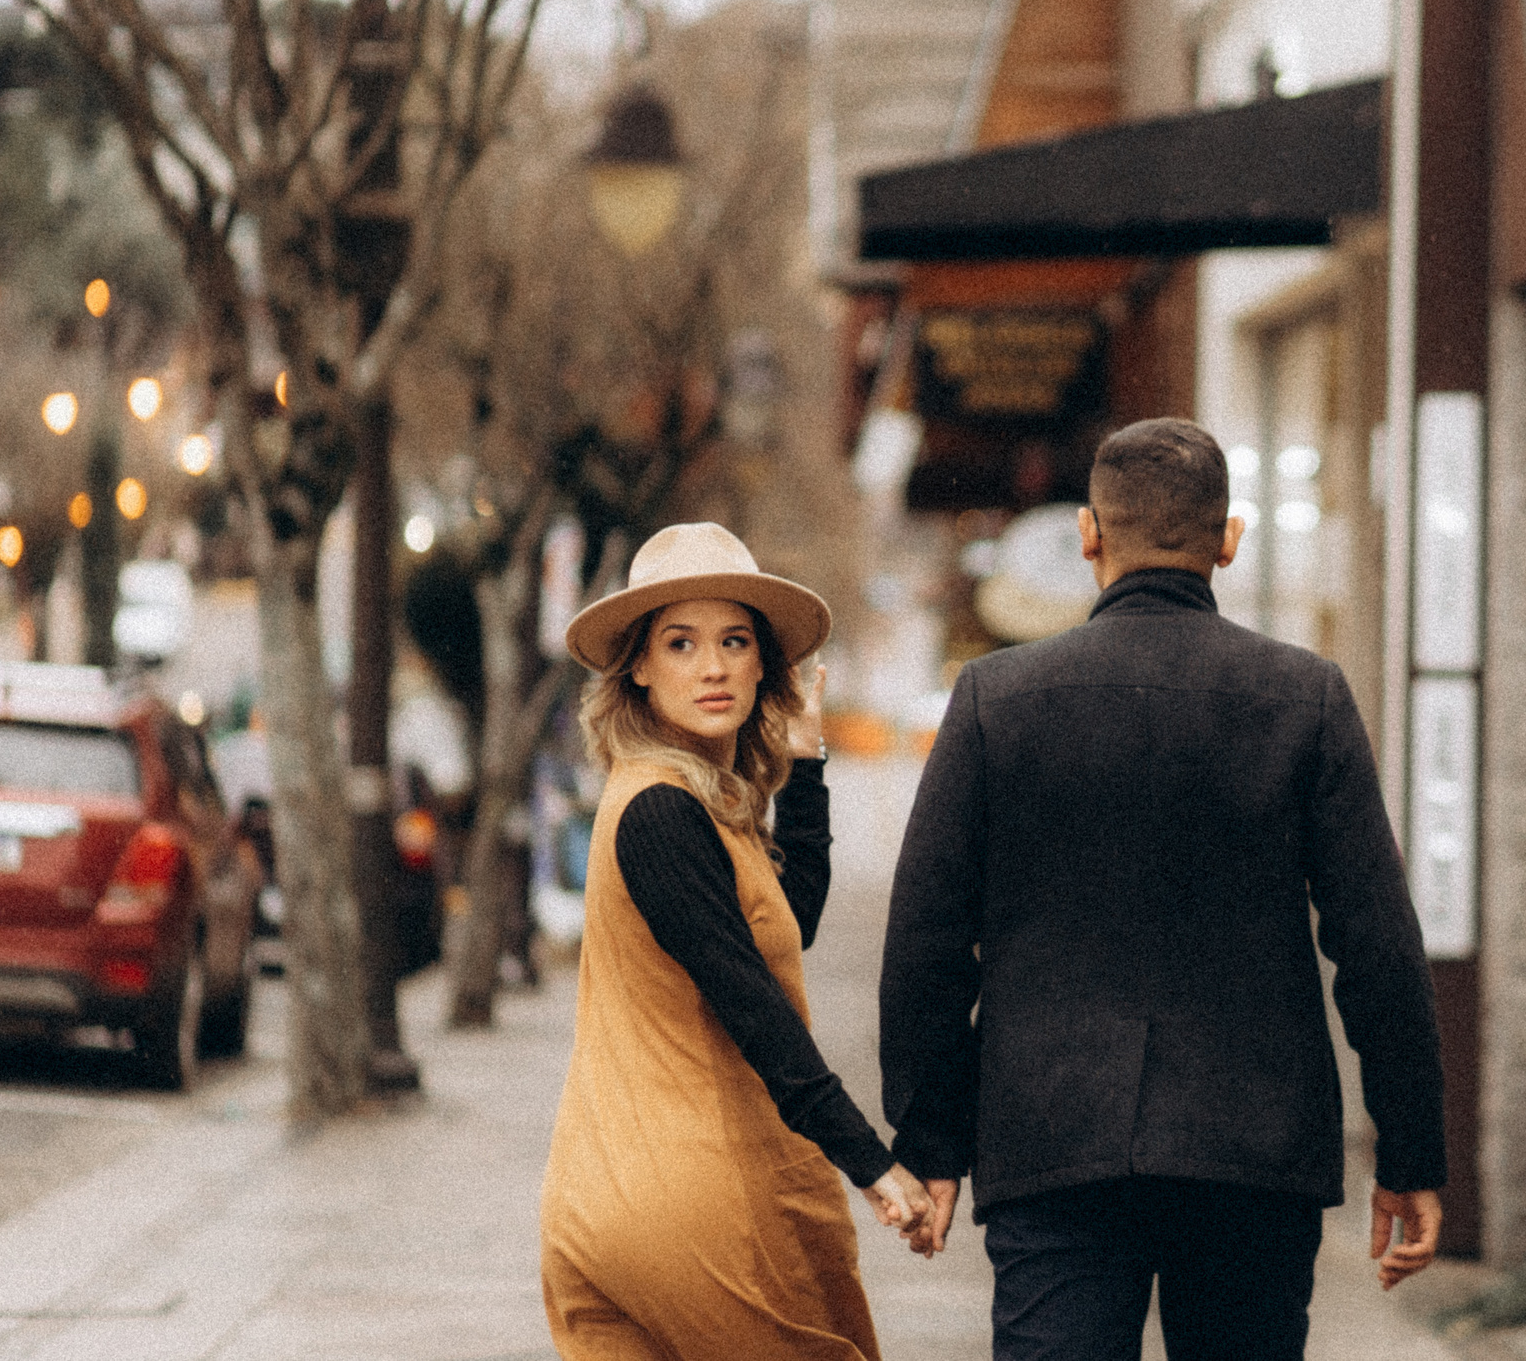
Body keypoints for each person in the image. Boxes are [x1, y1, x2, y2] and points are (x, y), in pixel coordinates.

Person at [880, 418, 1448, 1361]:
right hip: (1252, 1149)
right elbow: (1379, 945)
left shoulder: (995, 699)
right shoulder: (1304, 697)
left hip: (1053, 1140)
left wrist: (933, 1139)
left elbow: (927, 944)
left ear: (1088, 536)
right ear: (1229, 539)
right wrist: (1412, 1150)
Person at [541, 522, 934, 1360]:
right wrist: (872, 1164)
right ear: (638, 665)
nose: (713, 666)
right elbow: (755, 1008)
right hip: (690, 1209)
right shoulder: (660, 813)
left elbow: (791, 922)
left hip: (608, 1204)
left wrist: (807, 760)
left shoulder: (686, 797)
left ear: (766, 666)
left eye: (735, 641)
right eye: (681, 642)